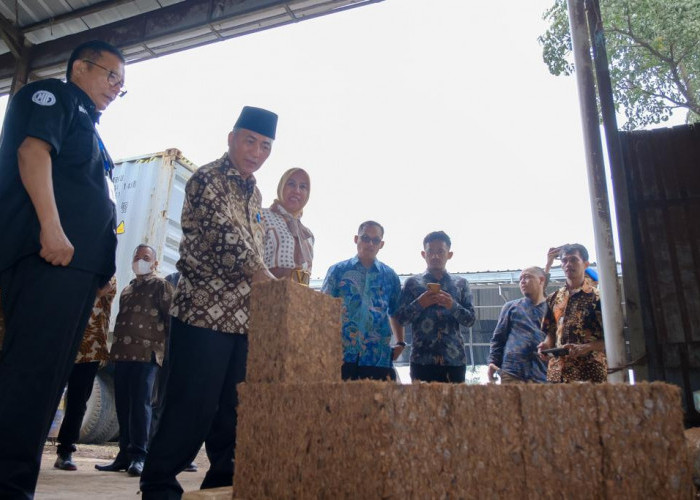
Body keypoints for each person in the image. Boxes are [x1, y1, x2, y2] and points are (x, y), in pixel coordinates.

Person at [0, 40, 124, 497]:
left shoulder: (90, 127)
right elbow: (33, 154)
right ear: (80, 68)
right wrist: (51, 229)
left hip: (75, 274)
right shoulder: (51, 97)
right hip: (48, 261)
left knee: (45, 386)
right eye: (111, 76)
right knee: (28, 381)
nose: (115, 88)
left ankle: (16, 485)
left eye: (121, 85)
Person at [140, 106, 278, 497]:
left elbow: (254, 247)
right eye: (250, 140)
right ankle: (159, 484)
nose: (256, 151)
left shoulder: (255, 193)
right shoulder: (208, 178)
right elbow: (226, 238)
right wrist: (266, 280)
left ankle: (222, 484)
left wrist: (264, 287)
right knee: (191, 408)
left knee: (234, 413)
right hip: (203, 314)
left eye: (265, 145)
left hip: (242, 319)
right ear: (231, 138)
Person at [96, 245, 173, 477]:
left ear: (155, 263)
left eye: (146, 258)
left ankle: (140, 455)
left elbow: (171, 320)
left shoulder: (161, 286)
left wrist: (167, 355)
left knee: (141, 406)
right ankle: (123, 456)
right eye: (137, 257)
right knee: (124, 406)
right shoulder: (128, 289)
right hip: (122, 355)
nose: (141, 261)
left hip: (146, 355)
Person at [321, 221, 405, 381]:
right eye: (365, 238)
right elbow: (324, 310)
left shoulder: (390, 276)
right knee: (338, 404)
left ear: (381, 244)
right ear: (356, 239)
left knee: (377, 404)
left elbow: (396, 312)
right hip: (341, 355)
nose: (370, 244)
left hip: (377, 357)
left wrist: (401, 343)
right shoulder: (337, 271)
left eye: (376, 240)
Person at [395, 231, 476, 383]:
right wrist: (419, 304)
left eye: (441, 251)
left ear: (449, 254)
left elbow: (470, 320)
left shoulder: (461, 284)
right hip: (422, 360)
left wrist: (453, 305)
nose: (435, 256)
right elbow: (401, 319)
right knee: (422, 406)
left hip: (454, 360)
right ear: (423, 254)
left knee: (454, 406)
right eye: (430, 251)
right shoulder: (412, 283)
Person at [54, 276, 117, 470]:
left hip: (90, 348)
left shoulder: (108, 276)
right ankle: (33, 445)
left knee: (78, 401)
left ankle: (65, 451)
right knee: (49, 397)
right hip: (62, 342)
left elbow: (100, 289)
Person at [149, 270, 198, 474]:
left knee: (188, 404)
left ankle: (184, 457)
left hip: (194, 352)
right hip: (170, 350)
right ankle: (155, 451)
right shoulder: (172, 280)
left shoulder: (203, 277)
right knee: (161, 402)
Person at [537, 243, 607, 383]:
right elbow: (550, 332)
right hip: (558, 374)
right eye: (565, 260)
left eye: (574, 259)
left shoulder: (600, 297)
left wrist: (586, 347)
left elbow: (614, 339)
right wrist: (545, 345)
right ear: (561, 265)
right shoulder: (553, 298)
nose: (569, 264)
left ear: (585, 264)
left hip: (590, 373)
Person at [486, 267, 548, 384]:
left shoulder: (553, 308)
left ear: (541, 280)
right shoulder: (511, 307)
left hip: (543, 374)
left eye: (527, 277)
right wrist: (492, 362)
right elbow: (498, 339)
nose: (522, 281)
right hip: (512, 372)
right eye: (520, 279)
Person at [262, 168, 314, 284]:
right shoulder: (262, 216)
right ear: (281, 187)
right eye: (291, 184)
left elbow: (306, 276)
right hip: (264, 294)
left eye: (303, 187)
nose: (297, 190)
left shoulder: (308, 235)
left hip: (296, 298)